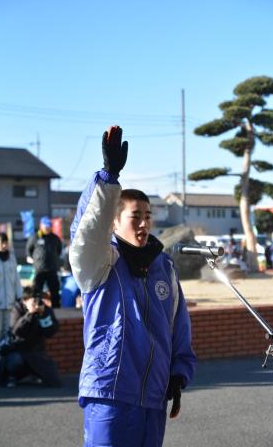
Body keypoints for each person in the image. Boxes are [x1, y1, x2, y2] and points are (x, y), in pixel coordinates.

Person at [70, 125, 197, 447]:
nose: (144, 223)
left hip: (154, 395)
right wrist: (108, 178)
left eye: (148, 216)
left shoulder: (163, 267)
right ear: (114, 221)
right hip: (109, 391)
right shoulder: (101, 263)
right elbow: (86, 232)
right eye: (134, 216)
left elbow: (177, 326)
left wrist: (179, 373)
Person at [0, 286, 61, 388]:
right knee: (14, 361)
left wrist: (43, 316)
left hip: (36, 352)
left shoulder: (44, 309)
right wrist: (29, 314)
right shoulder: (17, 308)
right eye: (33, 301)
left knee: (54, 380)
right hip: (18, 350)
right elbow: (16, 331)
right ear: (24, 301)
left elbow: (50, 333)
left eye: (38, 300)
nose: (36, 303)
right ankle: (12, 376)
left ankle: (32, 374)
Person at [0, 232, 22, 373]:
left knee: (6, 337)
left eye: (6, 242)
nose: (4, 245)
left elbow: (16, 278)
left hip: (9, 305)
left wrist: (19, 297)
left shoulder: (11, 258)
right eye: (1, 242)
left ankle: (4, 365)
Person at [26, 216, 62, 307]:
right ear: (41, 226)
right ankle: (37, 308)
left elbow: (59, 250)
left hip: (52, 269)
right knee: (36, 291)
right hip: (39, 270)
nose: (48, 228)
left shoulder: (55, 238)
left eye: (49, 226)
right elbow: (28, 250)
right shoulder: (35, 237)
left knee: (55, 291)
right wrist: (32, 258)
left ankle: (56, 309)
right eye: (46, 226)